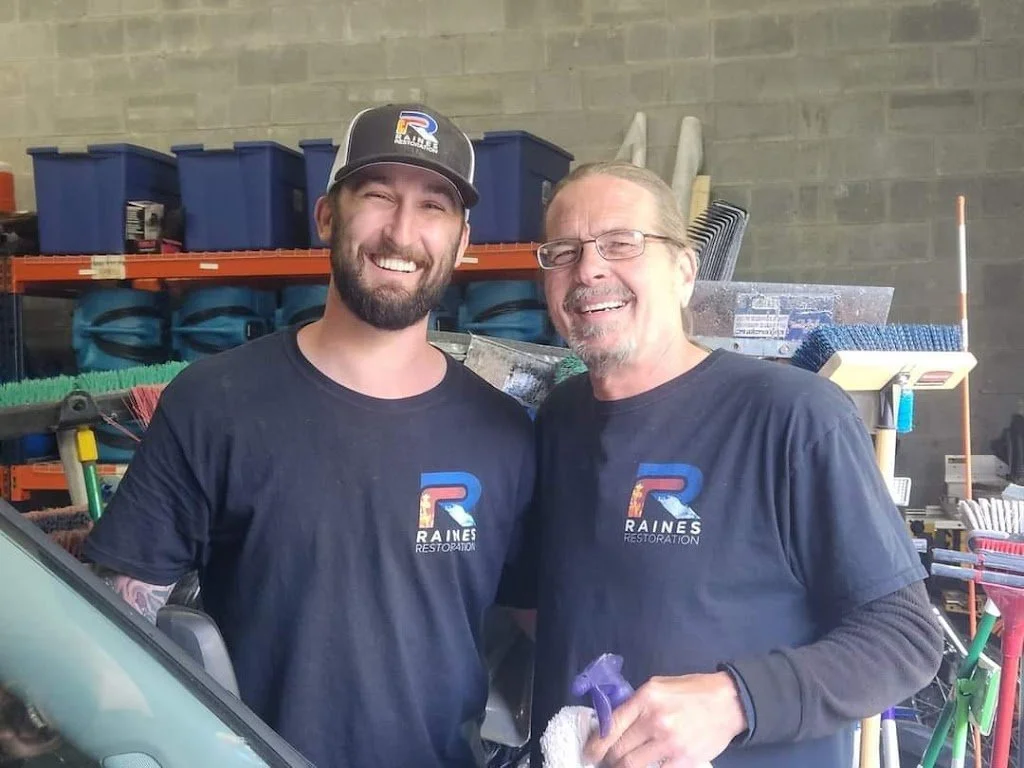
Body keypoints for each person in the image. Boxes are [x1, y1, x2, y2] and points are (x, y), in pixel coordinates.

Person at [82, 103, 536, 768]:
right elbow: (119, 618)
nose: (402, 232)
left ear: (462, 240)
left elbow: (546, 619)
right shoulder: (216, 402)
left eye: (433, 207)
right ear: (326, 216)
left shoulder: (504, 434)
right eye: (377, 196)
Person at [500, 161, 943, 768]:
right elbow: (543, 602)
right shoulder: (560, 418)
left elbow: (906, 637)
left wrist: (735, 699)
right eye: (564, 252)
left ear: (684, 271)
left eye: (621, 243)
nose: (589, 269)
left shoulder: (793, 415)